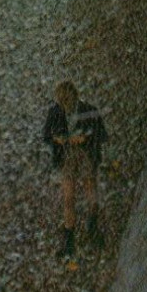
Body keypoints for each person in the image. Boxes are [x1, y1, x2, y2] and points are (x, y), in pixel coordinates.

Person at [43, 82, 109, 260]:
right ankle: (70, 240)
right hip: (67, 156)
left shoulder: (90, 110)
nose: (65, 105)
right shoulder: (55, 112)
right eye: (61, 101)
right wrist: (62, 140)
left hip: (86, 154)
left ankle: (92, 229)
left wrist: (86, 138)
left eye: (67, 100)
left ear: (75, 96)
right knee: (68, 197)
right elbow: (47, 136)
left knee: (91, 194)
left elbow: (102, 135)